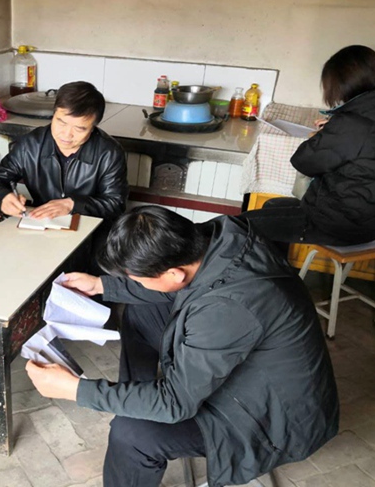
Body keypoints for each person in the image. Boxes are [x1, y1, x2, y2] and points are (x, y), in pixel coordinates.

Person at [25, 206, 339, 487]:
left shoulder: (227, 307)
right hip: (255, 370)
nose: (139, 284)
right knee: (141, 313)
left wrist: (77, 390)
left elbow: (176, 402)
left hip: (271, 419)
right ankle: (137, 400)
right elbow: (171, 286)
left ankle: (139, 415)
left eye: (140, 279)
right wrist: (101, 285)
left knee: (132, 434)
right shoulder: (213, 237)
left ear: (174, 274)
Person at [242, 45, 375, 247]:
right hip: (374, 222)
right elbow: (367, 143)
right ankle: (274, 266)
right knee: (272, 205)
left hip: (336, 224)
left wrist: (323, 135)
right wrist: (334, 129)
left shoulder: (353, 124)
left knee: (240, 226)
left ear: (344, 85)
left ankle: (268, 267)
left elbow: (304, 161)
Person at [0, 81, 128, 222]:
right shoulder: (31, 144)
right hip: (41, 223)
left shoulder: (109, 153)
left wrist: (72, 205)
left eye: (79, 129)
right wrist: (1, 197)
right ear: (53, 115)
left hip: (89, 230)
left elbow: (115, 204)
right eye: (61, 122)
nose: (67, 134)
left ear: (93, 127)